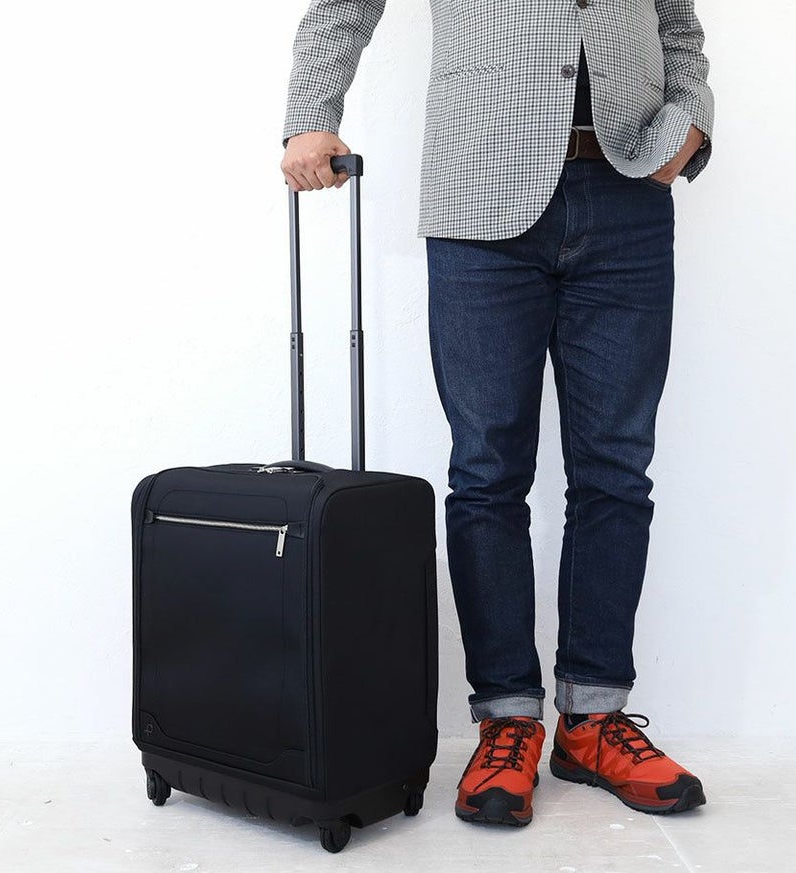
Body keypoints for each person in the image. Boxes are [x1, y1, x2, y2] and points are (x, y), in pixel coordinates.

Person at [281, 0, 715, 827]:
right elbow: (343, 7)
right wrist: (310, 116)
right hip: (482, 189)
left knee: (616, 471)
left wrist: (688, 125)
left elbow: (678, 29)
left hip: (628, 198)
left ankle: (592, 720)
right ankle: (507, 719)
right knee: (487, 471)